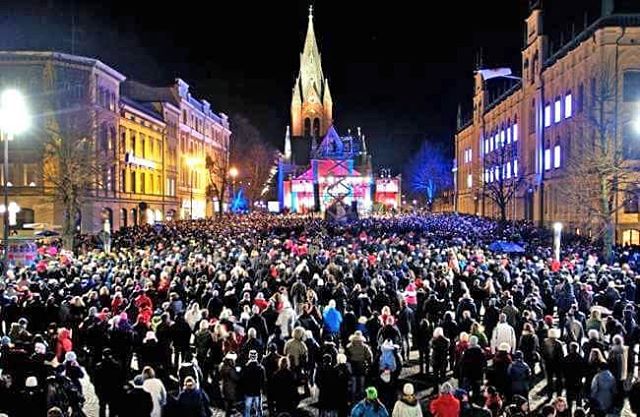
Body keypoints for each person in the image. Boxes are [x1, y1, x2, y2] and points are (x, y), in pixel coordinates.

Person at [93, 348, 125, 417]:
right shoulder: (116, 365)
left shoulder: (98, 366)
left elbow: (95, 381)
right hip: (113, 390)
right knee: (112, 408)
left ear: (103, 356)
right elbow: (120, 379)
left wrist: (97, 390)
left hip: (102, 390)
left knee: (102, 407)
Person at [240, 350, 265, 417]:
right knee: (258, 409)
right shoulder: (260, 368)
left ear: (249, 356)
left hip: (248, 391)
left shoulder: (246, 367)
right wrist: (262, 389)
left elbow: (243, 380)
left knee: (247, 409)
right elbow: (263, 381)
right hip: (257, 391)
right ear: (256, 356)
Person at [220, 353, 240, 417]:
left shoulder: (223, 367)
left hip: (225, 387)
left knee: (228, 405)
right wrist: (237, 372)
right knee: (230, 405)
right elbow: (236, 378)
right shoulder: (230, 369)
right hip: (230, 389)